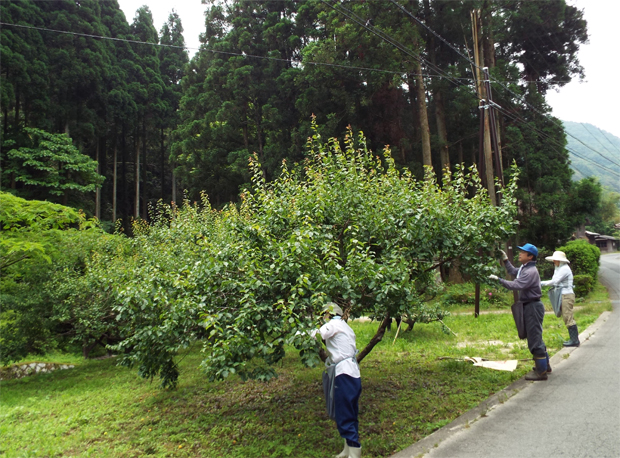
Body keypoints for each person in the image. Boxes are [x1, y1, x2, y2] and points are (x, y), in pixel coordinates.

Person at [489, 243, 549, 381]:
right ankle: (545, 366)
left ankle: (541, 372)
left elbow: (516, 285)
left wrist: (499, 280)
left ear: (530, 256)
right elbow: (513, 271)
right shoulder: (525, 268)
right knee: (535, 336)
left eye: (523, 252)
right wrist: (505, 260)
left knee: (534, 339)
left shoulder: (530, 272)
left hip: (533, 306)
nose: (520, 254)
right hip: (530, 305)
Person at [311, 302, 362, 458]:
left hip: (344, 373)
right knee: (350, 412)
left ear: (328, 314)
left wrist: (298, 333)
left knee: (344, 413)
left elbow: (319, 333)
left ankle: (354, 453)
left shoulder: (333, 325)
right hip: (353, 373)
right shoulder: (345, 325)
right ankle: (348, 450)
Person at [541, 251, 579, 347]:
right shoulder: (559, 268)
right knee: (566, 316)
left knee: (568, 316)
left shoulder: (564, 269)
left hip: (566, 295)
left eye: (555, 259)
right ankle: (573, 339)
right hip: (563, 295)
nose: (554, 261)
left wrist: (540, 283)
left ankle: (574, 340)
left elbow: (554, 281)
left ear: (560, 260)